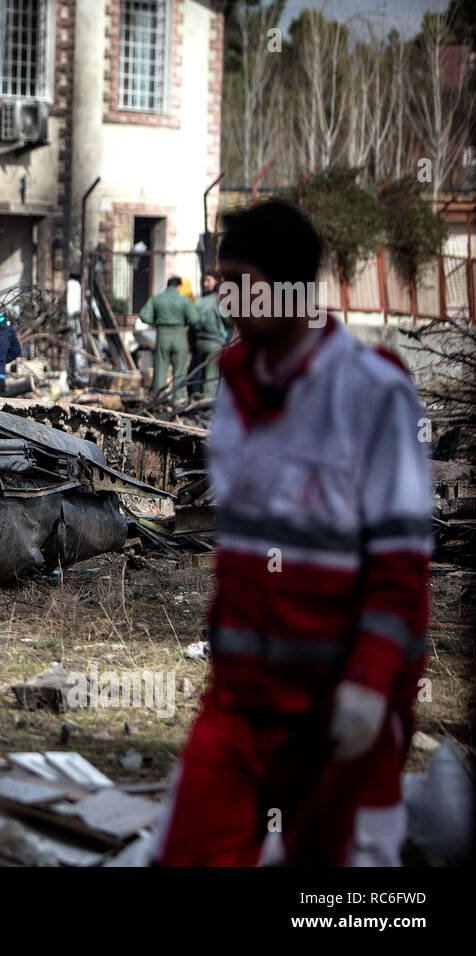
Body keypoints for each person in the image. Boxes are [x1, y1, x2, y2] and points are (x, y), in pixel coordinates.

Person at [152, 201, 432, 866]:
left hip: (341, 716)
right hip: (241, 708)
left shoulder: (373, 396)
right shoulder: (236, 396)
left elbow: (400, 571)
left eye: (239, 279)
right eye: (219, 278)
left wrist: (370, 687)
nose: (223, 295)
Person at [139, 276, 193, 403]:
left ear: (167, 285)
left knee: (160, 369)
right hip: (179, 336)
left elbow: (144, 315)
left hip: (162, 336)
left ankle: (159, 398)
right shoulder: (184, 300)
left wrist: (157, 322)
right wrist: (182, 323)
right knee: (179, 370)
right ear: (179, 287)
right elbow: (194, 318)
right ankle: (179, 398)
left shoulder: (156, 299)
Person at [188, 270, 230, 399]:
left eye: (208, 281)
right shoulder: (220, 303)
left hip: (200, 341)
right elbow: (228, 321)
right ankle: (207, 399)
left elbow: (192, 323)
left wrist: (192, 343)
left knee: (200, 371)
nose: (205, 284)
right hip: (215, 342)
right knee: (211, 374)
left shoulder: (199, 302)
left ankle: (195, 395)